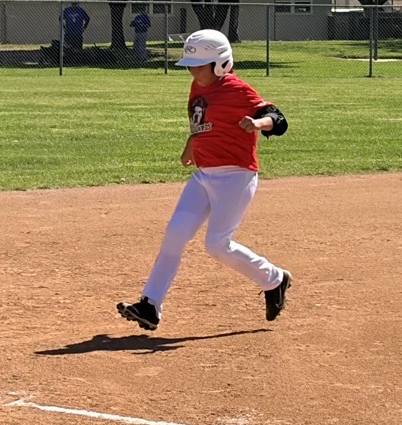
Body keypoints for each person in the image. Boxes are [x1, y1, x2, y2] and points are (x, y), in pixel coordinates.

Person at [116, 29, 292, 331]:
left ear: (222, 63)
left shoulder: (238, 90)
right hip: (203, 175)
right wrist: (190, 145)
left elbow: (278, 120)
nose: (194, 71)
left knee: (217, 245)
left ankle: (274, 279)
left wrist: (257, 123)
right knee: (175, 234)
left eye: (201, 65)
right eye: (191, 65)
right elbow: (202, 122)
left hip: (236, 176)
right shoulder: (198, 88)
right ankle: (151, 305)